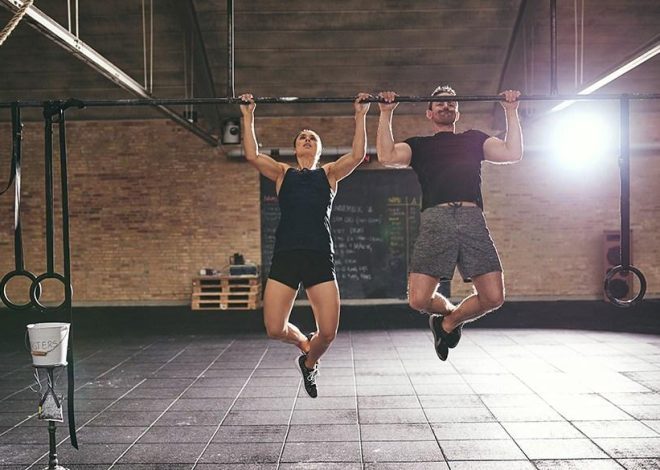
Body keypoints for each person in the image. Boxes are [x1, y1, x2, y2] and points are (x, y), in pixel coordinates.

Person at [376, 85, 522, 361]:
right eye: (440, 104)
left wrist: (511, 111)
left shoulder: (474, 139)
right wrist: (385, 113)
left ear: (457, 111)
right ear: (429, 112)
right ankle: (447, 315)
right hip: (436, 219)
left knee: (493, 297)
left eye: (451, 103)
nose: (446, 107)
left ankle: (448, 323)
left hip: (471, 218)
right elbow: (386, 156)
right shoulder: (419, 145)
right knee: (418, 300)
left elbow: (512, 153)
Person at [239, 92, 371, 397]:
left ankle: (309, 363)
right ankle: (302, 344)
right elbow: (251, 155)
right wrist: (247, 115)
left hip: (319, 256)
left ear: (320, 149)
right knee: (274, 328)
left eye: (312, 137)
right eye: (302, 136)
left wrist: (361, 115)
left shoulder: (329, 173)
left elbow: (357, 154)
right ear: (295, 147)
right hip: (286, 254)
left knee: (328, 332)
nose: (307, 139)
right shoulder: (283, 173)